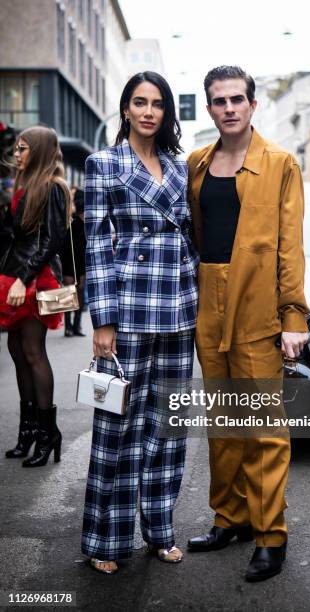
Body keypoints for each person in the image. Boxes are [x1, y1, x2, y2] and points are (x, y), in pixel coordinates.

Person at [186, 66, 310, 582]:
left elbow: (289, 247)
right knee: (223, 422)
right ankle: (230, 517)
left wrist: (293, 315)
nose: (229, 108)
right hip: (207, 302)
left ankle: (270, 533)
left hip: (258, 305)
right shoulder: (196, 163)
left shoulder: (279, 163)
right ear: (210, 109)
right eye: (219, 101)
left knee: (263, 427)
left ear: (253, 105)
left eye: (238, 98)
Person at [81, 71, 198, 574]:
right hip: (127, 313)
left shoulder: (180, 167)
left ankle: (160, 529)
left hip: (178, 311)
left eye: (157, 104)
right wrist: (102, 319)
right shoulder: (102, 164)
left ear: (167, 112)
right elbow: (94, 247)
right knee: (118, 428)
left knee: (169, 428)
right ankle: (105, 539)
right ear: (125, 109)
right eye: (139, 102)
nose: (149, 111)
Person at [0, 126, 70, 467]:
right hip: (15, 274)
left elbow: (52, 240)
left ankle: (47, 433)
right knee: (17, 351)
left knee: (33, 352)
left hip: (34, 278)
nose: (17, 154)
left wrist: (22, 279)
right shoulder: (23, 183)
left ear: (39, 151)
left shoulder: (53, 187)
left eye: (24, 149)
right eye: (16, 148)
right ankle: (27, 433)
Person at [61, 187, 86, 337]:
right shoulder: (71, 223)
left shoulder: (86, 225)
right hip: (68, 261)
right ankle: (68, 326)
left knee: (80, 294)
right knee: (69, 293)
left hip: (81, 262)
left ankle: (77, 325)